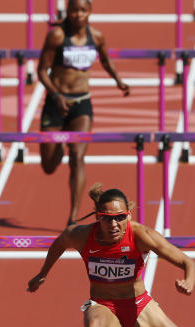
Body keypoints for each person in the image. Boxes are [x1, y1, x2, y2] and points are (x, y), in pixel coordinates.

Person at [27, 184, 195, 327]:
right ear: (98, 217)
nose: (113, 224)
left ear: (128, 216)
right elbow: (60, 243)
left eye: (119, 217)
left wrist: (189, 281)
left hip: (139, 307)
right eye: (107, 218)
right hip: (103, 306)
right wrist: (42, 274)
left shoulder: (142, 235)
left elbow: (188, 263)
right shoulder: (82, 235)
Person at [37, 0, 130, 226]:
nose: (78, 15)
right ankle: (59, 145)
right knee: (48, 166)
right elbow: (41, 71)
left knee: (78, 158)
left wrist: (119, 81)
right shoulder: (57, 36)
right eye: (74, 10)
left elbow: (106, 60)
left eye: (82, 10)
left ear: (89, 12)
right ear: (68, 12)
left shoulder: (96, 37)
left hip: (81, 104)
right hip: (56, 103)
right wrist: (56, 95)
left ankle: (74, 215)